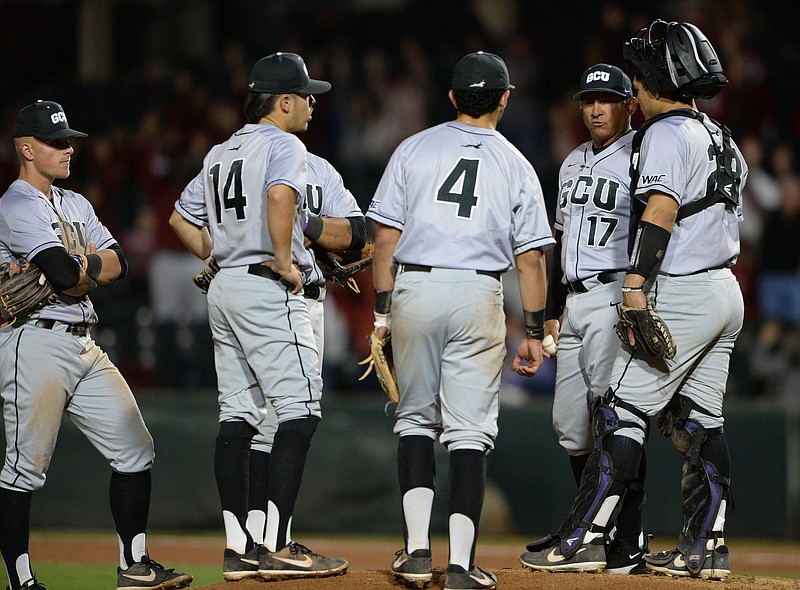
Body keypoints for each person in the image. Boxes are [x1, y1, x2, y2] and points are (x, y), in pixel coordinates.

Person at [520, 20, 747, 581]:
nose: (633, 93)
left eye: (637, 80)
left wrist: (634, 287)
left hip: (684, 287)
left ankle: (588, 538)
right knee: (699, 420)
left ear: (650, 82)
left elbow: (661, 212)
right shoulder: (719, 133)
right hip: (724, 290)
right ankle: (707, 547)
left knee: (620, 410)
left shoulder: (666, 133)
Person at [368, 51, 554, 590]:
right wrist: (537, 333)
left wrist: (382, 313)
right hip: (479, 291)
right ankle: (461, 565)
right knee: (470, 429)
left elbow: (385, 238)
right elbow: (532, 260)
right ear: (504, 98)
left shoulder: (413, 148)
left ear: (450, 97)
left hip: (416, 287)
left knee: (415, 421)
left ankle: (417, 552)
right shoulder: (516, 163)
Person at [168, 52, 348, 582]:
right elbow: (280, 195)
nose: (313, 103)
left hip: (225, 288)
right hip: (267, 286)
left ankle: (238, 551)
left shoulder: (221, 151)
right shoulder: (284, 143)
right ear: (283, 100)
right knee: (301, 409)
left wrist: (220, 253)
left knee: (239, 416)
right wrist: (285, 261)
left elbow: (179, 218)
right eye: (306, 94)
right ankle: (279, 544)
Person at [0, 100, 192, 590]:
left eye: (70, 142)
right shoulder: (16, 205)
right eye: (57, 142)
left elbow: (121, 264)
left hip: (85, 342)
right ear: (26, 148)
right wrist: (82, 267)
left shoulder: (77, 204)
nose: (68, 150)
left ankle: (134, 566)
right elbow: (67, 273)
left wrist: (76, 270)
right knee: (24, 470)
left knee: (135, 449)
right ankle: (21, 582)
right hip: (34, 340)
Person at [531, 64, 649, 574]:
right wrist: (555, 311)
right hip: (575, 301)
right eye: (588, 100)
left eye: (606, 99)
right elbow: (559, 244)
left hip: (613, 294)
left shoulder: (643, 157)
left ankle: (626, 537)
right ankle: (590, 525)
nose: (595, 108)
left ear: (630, 105)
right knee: (572, 426)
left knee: (617, 421)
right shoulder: (572, 161)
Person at [244, 152, 366, 576]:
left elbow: (356, 232)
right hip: (270, 295)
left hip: (313, 299)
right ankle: (269, 544)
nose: (312, 104)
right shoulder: (246, 161)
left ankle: (260, 543)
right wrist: (314, 230)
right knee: (281, 420)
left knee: (280, 422)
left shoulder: (320, 168)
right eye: (302, 95)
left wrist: (307, 226)